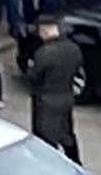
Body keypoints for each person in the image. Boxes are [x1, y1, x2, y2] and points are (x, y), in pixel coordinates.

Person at [27, 18, 83, 164]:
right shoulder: (73, 48)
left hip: (46, 100)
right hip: (66, 97)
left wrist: (30, 67)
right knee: (67, 134)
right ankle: (75, 163)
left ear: (44, 31)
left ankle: (50, 166)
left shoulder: (44, 53)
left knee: (45, 137)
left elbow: (34, 76)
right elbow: (77, 69)